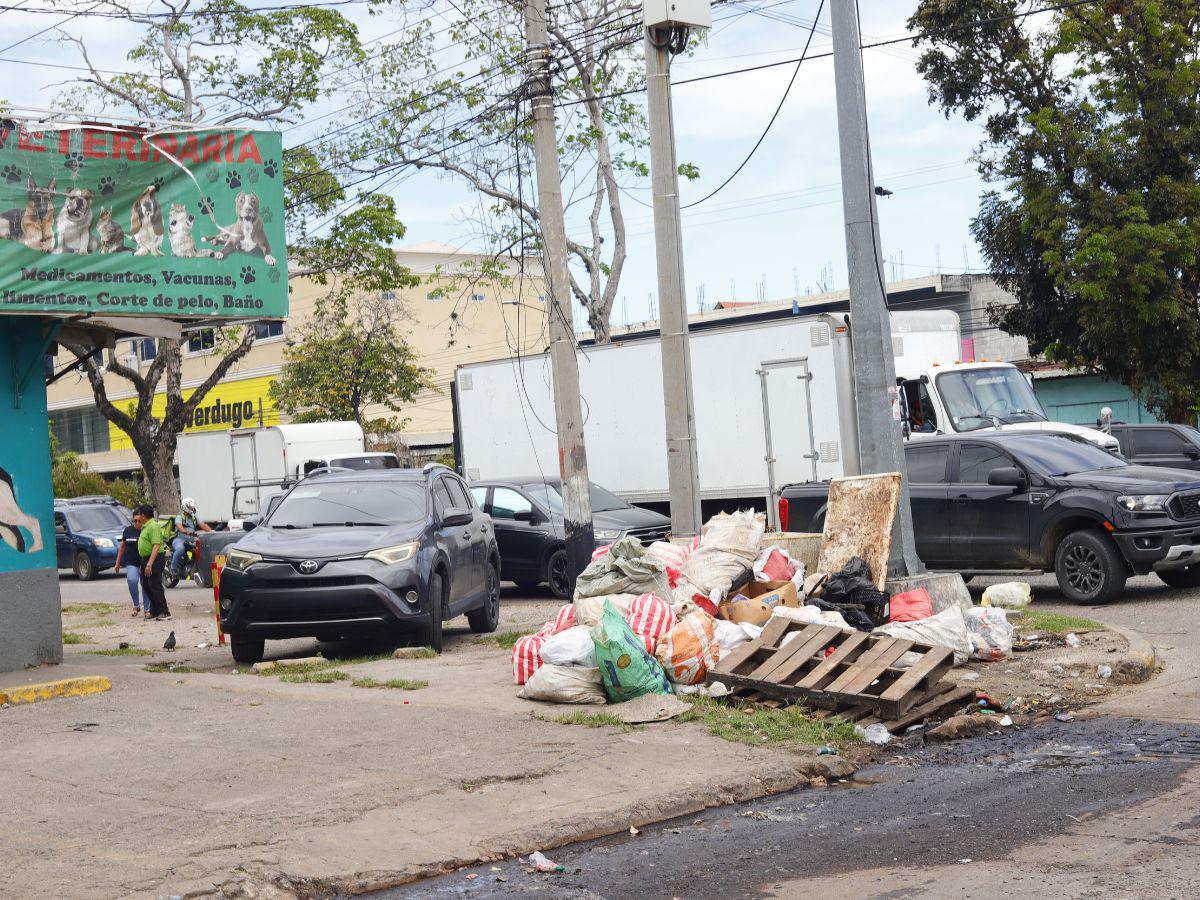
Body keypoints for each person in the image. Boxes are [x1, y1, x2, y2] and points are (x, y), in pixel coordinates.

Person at [135, 504, 170, 620]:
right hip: (146, 558)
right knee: (146, 584)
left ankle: (164, 611)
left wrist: (150, 563)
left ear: (143, 515)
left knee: (155, 584)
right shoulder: (146, 526)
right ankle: (155, 610)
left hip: (155, 559)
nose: (139, 517)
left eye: (140, 514)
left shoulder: (153, 526)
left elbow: (156, 545)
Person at [114, 517, 150, 618]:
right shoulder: (128, 530)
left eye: (139, 521)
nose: (137, 523)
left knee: (145, 585)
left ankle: (147, 609)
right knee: (131, 580)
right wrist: (117, 562)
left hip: (144, 562)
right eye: (135, 521)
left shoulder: (146, 529)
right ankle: (136, 605)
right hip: (131, 562)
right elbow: (122, 546)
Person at [169, 497, 212, 577]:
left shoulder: (194, 517)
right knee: (180, 549)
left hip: (191, 539)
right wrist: (185, 531)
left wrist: (213, 533)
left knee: (204, 547)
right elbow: (179, 526)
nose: (193, 509)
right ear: (186, 507)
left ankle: (194, 566)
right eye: (191, 507)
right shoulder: (180, 517)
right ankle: (173, 567)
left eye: (193, 507)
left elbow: (203, 525)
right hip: (180, 539)